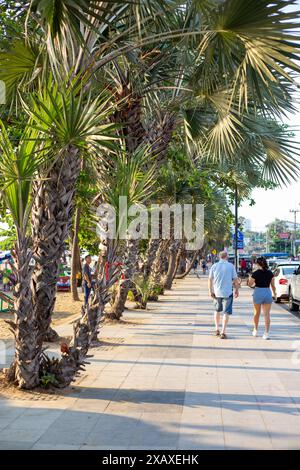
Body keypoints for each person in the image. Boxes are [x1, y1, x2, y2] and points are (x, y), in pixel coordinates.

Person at [208, 251, 239, 339]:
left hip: (216, 292)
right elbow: (235, 279)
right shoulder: (231, 266)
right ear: (227, 257)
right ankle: (223, 332)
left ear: (219, 257)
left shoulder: (214, 266)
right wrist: (236, 290)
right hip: (228, 292)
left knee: (217, 310)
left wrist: (210, 290)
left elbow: (210, 280)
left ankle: (217, 329)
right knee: (226, 312)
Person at [248, 256, 276, 340]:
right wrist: (274, 294)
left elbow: (250, 284)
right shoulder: (270, 273)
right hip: (267, 292)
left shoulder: (255, 273)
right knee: (267, 314)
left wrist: (250, 279)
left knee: (256, 313)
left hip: (258, 292)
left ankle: (255, 330)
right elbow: (273, 286)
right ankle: (266, 333)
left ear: (258, 264)